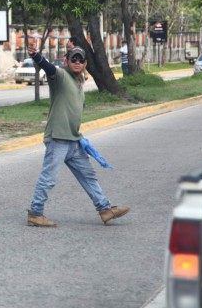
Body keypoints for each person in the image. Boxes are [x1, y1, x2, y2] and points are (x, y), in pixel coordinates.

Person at [25, 42, 130, 227]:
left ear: (85, 64)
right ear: (66, 60)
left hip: (74, 141)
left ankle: (105, 209)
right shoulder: (61, 76)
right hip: (58, 139)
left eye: (81, 59)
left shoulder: (79, 81)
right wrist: (36, 56)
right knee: (49, 178)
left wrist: (83, 73)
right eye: (73, 58)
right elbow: (49, 67)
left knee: (88, 176)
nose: (77, 62)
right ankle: (35, 213)